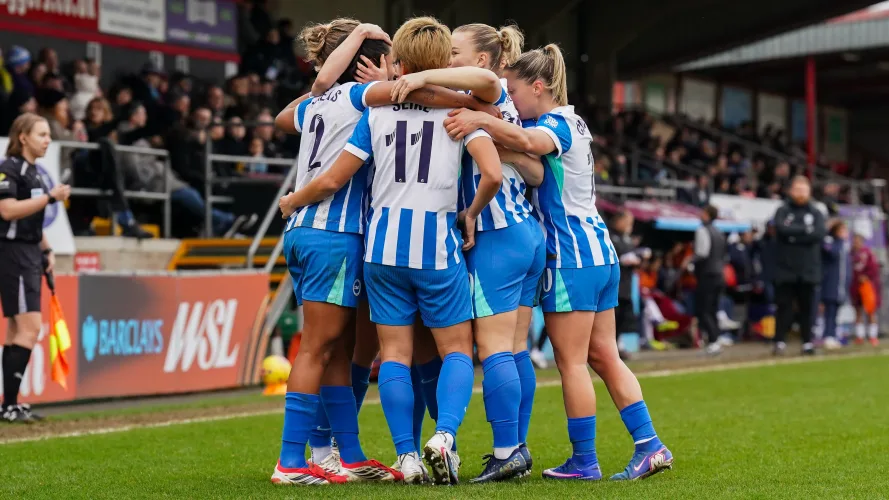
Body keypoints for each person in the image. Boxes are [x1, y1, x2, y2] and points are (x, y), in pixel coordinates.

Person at [276, 17, 503, 485]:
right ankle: (439, 437)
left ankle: (391, 455)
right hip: (408, 241)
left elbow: (299, 118)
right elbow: (493, 160)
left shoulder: (356, 109)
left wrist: (294, 199)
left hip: (377, 243)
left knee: (380, 353)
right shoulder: (447, 112)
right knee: (453, 349)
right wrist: (471, 213)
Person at [443, 43, 673, 481]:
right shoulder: (577, 121)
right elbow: (534, 164)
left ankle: (585, 461)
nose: (509, 99)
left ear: (538, 85)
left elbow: (531, 142)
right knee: (605, 355)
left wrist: (479, 119)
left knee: (571, 362)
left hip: (569, 255)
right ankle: (650, 445)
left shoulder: (556, 122)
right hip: (600, 251)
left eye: (514, 90)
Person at [392, 22, 545, 482]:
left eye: (454, 51)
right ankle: (515, 446)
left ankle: (505, 451)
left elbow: (487, 84)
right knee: (515, 349)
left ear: (482, 59)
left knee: (493, 348)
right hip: (524, 233)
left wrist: (417, 78)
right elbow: (535, 172)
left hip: (497, 236)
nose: (447, 58)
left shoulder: (488, 89)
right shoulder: (483, 105)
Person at [0, 113, 71, 423]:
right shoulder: (8, 170)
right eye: (42, 134)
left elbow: (32, 219)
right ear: (23, 137)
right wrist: (49, 198)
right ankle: (10, 405)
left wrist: (47, 248)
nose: (48, 139)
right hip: (13, 254)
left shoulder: (36, 174)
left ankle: (10, 404)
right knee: (29, 327)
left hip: (29, 253)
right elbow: (7, 210)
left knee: (17, 329)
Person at [772, 175, 826, 355]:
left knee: (807, 309)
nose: (801, 193)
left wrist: (793, 234)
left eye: (804, 189)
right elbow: (781, 229)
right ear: (791, 191)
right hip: (785, 270)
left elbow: (818, 234)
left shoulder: (816, 212)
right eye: (798, 189)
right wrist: (804, 231)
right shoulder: (783, 210)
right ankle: (779, 341)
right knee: (783, 308)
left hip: (808, 270)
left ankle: (807, 342)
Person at [693, 205, 727, 355]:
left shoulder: (702, 230)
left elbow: (702, 252)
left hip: (707, 274)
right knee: (713, 309)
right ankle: (716, 339)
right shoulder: (719, 232)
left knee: (704, 309)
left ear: (707, 214)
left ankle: (713, 340)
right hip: (720, 274)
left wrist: (689, 261)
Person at [819, 220, 849, 350]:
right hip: (831, 284)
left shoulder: (844, 246)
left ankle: (833, 335)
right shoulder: (831, 242)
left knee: (835, 312)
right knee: (829, 312)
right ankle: (828, 336)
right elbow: (829, 252)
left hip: (841, 286)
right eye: (842, 230)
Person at [850, 232, 880, 346]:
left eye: (858, 241)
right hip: (855, 287)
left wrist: (866, 277)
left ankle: (873, 336)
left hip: (867, 286)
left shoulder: (868, 253)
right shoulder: (851, 254)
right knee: (857, 311)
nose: (855, 243)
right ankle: (860, 336)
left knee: (870, 311)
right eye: (854, 241)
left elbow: (874, 269)